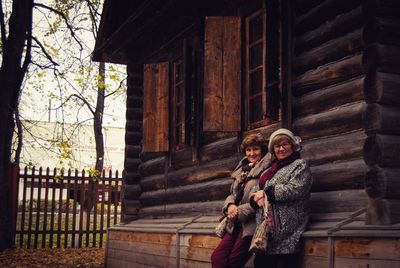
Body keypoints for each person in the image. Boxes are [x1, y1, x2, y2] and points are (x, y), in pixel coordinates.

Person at [250, 128, 312, 268]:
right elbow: (256, 188)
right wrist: (255, 197)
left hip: (287, 232)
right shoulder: (269, 170)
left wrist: (265, 193)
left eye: (285, 144)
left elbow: (295, 189)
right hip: (266, 233)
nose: (281, 149)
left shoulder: (299, 165)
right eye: (277, 146)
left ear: (293, 146)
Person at [211, 133, 271, 268]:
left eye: (255, 149)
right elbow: (232, 193)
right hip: (234, 222)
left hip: (252, 223)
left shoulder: (267, 170)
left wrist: (239, 210)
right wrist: (231, 205)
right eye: (248, 150)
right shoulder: (243, 169)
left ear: (262, 149)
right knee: (217, 257)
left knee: (234, 261)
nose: (252, 153)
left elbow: (262, 200)